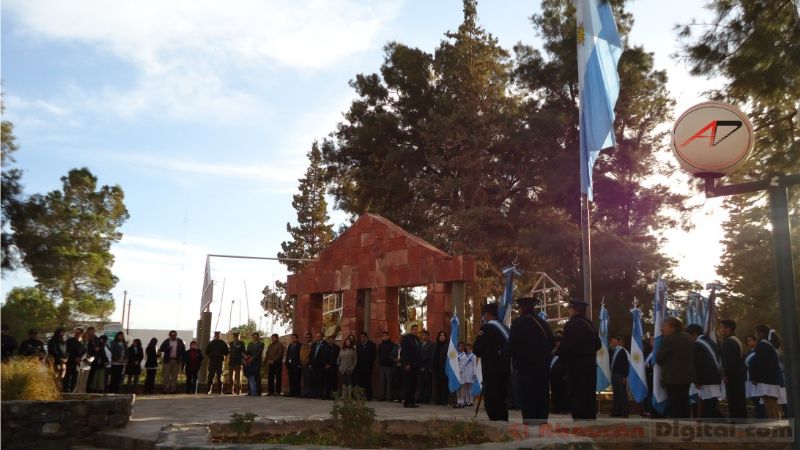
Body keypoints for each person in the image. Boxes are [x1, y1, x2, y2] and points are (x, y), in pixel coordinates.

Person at [509, 296, 555, 423]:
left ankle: (530, 425)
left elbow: (511, 346)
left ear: (522, 308)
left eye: (519, 308)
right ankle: (542, 423)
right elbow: (552, 343)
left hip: (525, 368)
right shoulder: (543, 323)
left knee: (528, 398)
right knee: (542, 396)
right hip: (543, 368)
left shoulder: (518, 323)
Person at [472, 302, 511, 421]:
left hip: (491, 371)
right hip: (505, 370)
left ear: (487, 314)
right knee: (502, 400)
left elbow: (476, 349)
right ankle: (503, 422)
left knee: (492, 400)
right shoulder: (505, 328)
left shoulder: (486, 328)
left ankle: (495, 423)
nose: (483, 317)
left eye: (483, 315)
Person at [655, 317, 695, 419]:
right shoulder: (689, 338)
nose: (662, 328)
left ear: (673, 328)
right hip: (687, 377)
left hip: (673, 378)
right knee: (684, 403)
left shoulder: (669, 339)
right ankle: (685, 423)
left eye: (665, 325)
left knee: (674, 405)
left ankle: (676, 424)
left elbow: (659, 358)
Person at [686, 324, 723, 418]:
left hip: (706, 380)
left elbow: (698, 364)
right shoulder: (710, 342)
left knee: (708, 407)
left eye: (689, 335)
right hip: (715, 377)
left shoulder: (697, 344)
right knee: (712, 404)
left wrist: (697, 381)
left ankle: (714, 424)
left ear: (694, 333)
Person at [751, 325, 783, 419]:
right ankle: (776, 423)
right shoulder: (770, 345)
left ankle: (775, 424)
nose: (755, 335)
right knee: (773, 405)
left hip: (765, 380)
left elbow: (756, 363)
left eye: (756, 333)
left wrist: (754, 377)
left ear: (761, 334)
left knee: (770, 406)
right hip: (772, 379)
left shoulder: (762, 345)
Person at [719, 319, 746, 420]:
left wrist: (725, 374)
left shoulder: (729, 342)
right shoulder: (736, 340)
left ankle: (737, 422)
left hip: (733, 377)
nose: (720, 330)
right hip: (738, 375)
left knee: (734, 402)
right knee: (739, 401)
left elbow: (729, 362)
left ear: (728, 329)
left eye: (722, 327)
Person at [400, 323, 422, 408]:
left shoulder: (417, 339)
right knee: (408, 384)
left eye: (417, 330)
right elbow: (404, 352)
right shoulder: (406, 338)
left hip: (416, 365)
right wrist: (406, 364)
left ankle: (412, 401)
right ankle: (407, 402)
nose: (415, 331)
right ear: (411, 330)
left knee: (414, 384)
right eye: (414, 329)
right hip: (409, 365)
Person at [159, 330, 186, 394]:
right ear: (170, 335)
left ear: (176, 335)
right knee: (166, 375)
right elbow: (161, 348)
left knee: (174, 376)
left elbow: (183, 351)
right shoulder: (167, 341)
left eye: (174, 335)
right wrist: (167, 348)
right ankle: (165, 389)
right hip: (168, 360)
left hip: (176, 361)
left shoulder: (180, 341)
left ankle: (173, 389)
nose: (173, 336)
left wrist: (182, 360)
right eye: (172, 335)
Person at [609, 336, 630, 417]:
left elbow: (626, 364)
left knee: (622, 394)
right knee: (616, 394)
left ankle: (625, 412)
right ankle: (616, 411)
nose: (613, 342)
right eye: (612, 341)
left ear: (618, 342)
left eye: (615, 341)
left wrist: (625, 376)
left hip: (621, 375)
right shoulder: (610, 350)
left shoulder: (622, 351)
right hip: (613, 375)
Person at [549, 330, 569, 414]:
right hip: (553, 373)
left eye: (559, 340)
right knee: (554, 391)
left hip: (562, 372)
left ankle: (564, 408)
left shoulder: (565, 350)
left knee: (563, 391)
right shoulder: (552, 350)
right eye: (556, 340)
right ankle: (555, 408)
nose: (557, 343)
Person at [355, 332, 377, 401]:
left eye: (363, 337)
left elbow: (374, 355)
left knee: (368, 381)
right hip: (360, 366)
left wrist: (370, 363)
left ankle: (368, 396)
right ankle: (361, 395)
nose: (362, 338)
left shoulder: (372, 344)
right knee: (360, 381)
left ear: (366, 337)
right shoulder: (358, 345)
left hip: (368, 366)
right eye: (361, 337)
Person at [64, 328, 85, 392]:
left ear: (81, 334)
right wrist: (74, 358)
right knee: (67, 376)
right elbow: (67, 351)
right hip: (70, 361)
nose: (77, 334)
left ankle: (72, 389)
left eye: (78, 333)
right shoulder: (69, 340)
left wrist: (80, 358)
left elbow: (83, 351)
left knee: (75, 376)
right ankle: (65, 389)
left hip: (78, 362)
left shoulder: (82, 342)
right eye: (76, 332)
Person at [377, 331, 396, 401]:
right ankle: (382, 396)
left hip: (389, 365)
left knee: (389, 382)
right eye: (383, 336)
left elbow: (393, 354)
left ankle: (389, 396)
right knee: (382, 382)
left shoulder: (392, 344)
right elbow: (379, 354)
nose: (384, 337)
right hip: (382, 365)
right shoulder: (381, 345)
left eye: (385, 336)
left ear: (388, 336)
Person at [433, 331, 450, 405]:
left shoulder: (448, 346)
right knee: (437, 384)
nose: (442, 336)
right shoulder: (435, 345)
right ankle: (438, 400)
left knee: (444, 384)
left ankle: (444, 400)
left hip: (445, 368)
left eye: (443, 335)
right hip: (437, 368)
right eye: (440, 335)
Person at [455, 341, 474, 408]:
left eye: (462, 346)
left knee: (462, 387)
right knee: (457, 387)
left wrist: (459, 370)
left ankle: (462, 402)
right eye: (459, 346)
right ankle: (458, 401)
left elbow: (463, 365)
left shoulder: (464, 355)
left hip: (462, 373)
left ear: (463, 348)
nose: (460, 347)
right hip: (456, 373)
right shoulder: (457, 354)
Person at [419, 330, 434, 404]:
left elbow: (430, 356)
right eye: (423, 335)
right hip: (420, 367)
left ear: (428, 336)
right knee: (421, 383)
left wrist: (425, 366)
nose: (424, 337)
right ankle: (421, 398)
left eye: (425, 335)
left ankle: (427, 398)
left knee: (428, 383)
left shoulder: (432, 344)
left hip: (427, 367)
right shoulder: (420, 344)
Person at [323, 334, 340, 400]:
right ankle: (327, 395)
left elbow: (336, 358)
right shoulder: (325, 347)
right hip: (326, 367)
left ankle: (333, 395)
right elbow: (323, 356)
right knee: (326, 382)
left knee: (333, 382)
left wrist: (330, 365)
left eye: (332, 340)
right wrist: (325, 364)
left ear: (334, 340)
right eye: (329, 340)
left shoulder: (337, 348)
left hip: (333, 367)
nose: (330, 341)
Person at [310, 332, 327, 398]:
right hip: (314, 365)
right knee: (315, 380)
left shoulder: (325, 344)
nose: (317, 337)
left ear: (321, 337)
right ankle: (316, 393)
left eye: (319, 336)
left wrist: (325, 364)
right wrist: (310, 363)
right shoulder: (314, 344)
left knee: (321, 380)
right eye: (316, 336)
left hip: (321, 366)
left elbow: (326, 355)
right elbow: (311, 354)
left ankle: (322, 394)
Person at [300, 332, 314, 398]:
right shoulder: (303, 345)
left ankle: (309, 393)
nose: (307, 339)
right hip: (303, 364)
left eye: (308, 337)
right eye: (306, 337)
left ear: (311, 338)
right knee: (305, 379)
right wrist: (302, 361)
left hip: (310, 365)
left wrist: (309, 362)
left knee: (310, 379)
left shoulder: (313, 345)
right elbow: (301, 354)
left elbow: (313, 355)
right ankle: (304, 392)